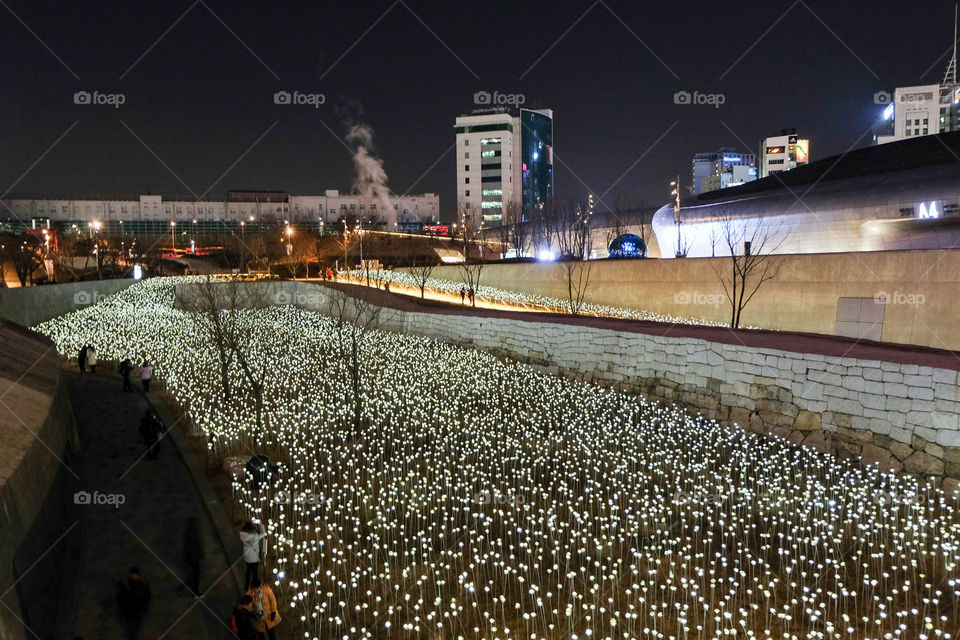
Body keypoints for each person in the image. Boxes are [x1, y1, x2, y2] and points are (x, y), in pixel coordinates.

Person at [116, 566, 151, 640]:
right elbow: (120, 599)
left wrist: (145, 606)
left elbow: (147, 595)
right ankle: (131, 636)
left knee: (137, 624)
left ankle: (133, 635)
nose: (136, 576)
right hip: (129, 611)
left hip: (139, 610)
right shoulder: (125, 586)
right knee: (130, 625)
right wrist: (123, 610)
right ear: (130, 575)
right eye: (134, 575)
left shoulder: (143, 583)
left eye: (137, 575)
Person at [239, 521, 267, 589]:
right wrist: (261, 525)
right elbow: (263, 534)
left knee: (248, 570)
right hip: (253, 556)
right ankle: (255, 584)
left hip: (246, 555)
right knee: (254, 571)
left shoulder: (242, 534)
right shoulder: (254, 536)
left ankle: (247, 585)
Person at [183, 516, 204, 597]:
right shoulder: (193, 535)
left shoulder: (189, 533)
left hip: (192, 557)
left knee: (194, 573)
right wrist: (200, 554)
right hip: (194, 558)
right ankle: (195, 592)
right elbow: (195, 547)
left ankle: (194, 589)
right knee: (196, 574)